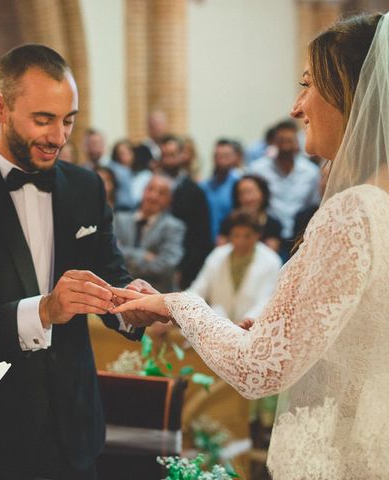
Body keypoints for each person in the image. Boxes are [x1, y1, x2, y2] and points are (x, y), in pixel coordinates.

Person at [111, 12, 389, 479]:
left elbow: (260, 369)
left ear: (352, 93)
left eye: (308, 85)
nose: (297, 106)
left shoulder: (354, 211)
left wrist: (179, 305)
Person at [0, 44, 162, 479]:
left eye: (68, 120)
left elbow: (110, 275)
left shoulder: (85, 188)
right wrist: (44, 310)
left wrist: (130, 306)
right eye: (43, 119)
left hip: (74, 433)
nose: (59, 137)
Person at [188, 209, 281, 324]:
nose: (240, 241)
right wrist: (179, 308)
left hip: (252, 328)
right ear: (230, 235)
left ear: (257, 235)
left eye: (247, 236)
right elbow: (198, 289)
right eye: (236, 235)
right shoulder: (217, 255)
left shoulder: (271, 261)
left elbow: (265, 300)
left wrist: (246, 322)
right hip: (217, 327)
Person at [248, 119, 320, 259]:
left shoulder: (310, 172)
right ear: (274, 143)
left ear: (297, 142)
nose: (286, 145)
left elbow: (313, 205)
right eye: (282, 140)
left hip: (300, 238)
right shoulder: (258, 170)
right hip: (267, 237)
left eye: (290, 140)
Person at [114, 174, 186, 293]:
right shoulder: (120, 220)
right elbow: (111, 253)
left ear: (170, 199)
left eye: (161, 193)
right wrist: (143, 256)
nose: (153, 196)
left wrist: (125, 255)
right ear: (143, 191)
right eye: (150, 189)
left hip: (156, 295)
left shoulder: (174, 227)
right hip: (122, 291)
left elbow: (167, 264)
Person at [159, 134, 213, 289]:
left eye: (172, 155)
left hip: (184, 265)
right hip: (155, 265)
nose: (168, 160)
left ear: (183, 156)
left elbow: (201, 236)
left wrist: (184, 268)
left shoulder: (194, 191)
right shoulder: (152, 188)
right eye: (164, 155)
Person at [217, 174, 283, 253]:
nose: (247, 198)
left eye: (251, 192)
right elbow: (220, 251)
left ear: (263, 193)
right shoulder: (228, 222)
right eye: (242, 193)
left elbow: (271, 253)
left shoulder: (273, 224)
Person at [199, 139, 243, 241]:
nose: (222, 160)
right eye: (219, 156)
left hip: (232, 240)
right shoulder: (204, 187)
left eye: (226, 156)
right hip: (206, 241)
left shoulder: (240, 184)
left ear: (235, 158)